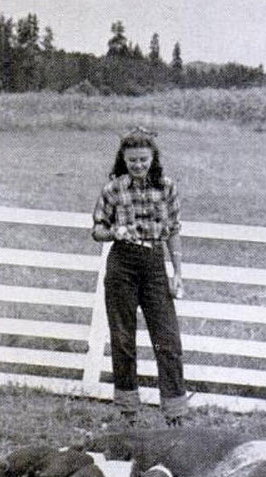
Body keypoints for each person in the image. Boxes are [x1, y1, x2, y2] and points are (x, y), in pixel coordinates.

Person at [91, 127, 190, 428]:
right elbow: (96, 230)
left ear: (152, 158)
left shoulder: (166, 187)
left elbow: (173, 232)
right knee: (123, 338)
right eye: (132, 160)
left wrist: (178, 273)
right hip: (122, 263)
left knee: (168, 339)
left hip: (154, 263)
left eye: (143, 159)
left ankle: (175, 413)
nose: (138, 165)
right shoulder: (113, 188)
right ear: (123, 159)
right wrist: (113, 232)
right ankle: (128, 413)